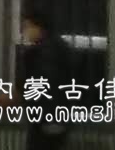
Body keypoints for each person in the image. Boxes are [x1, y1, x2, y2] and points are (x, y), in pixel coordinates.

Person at [16, 10, 72, 150]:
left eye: (27, 27)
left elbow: (46, 84)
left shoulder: (44, 53)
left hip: (47, 116)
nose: (25, 32)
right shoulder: (58, 47)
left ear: (38, 27)